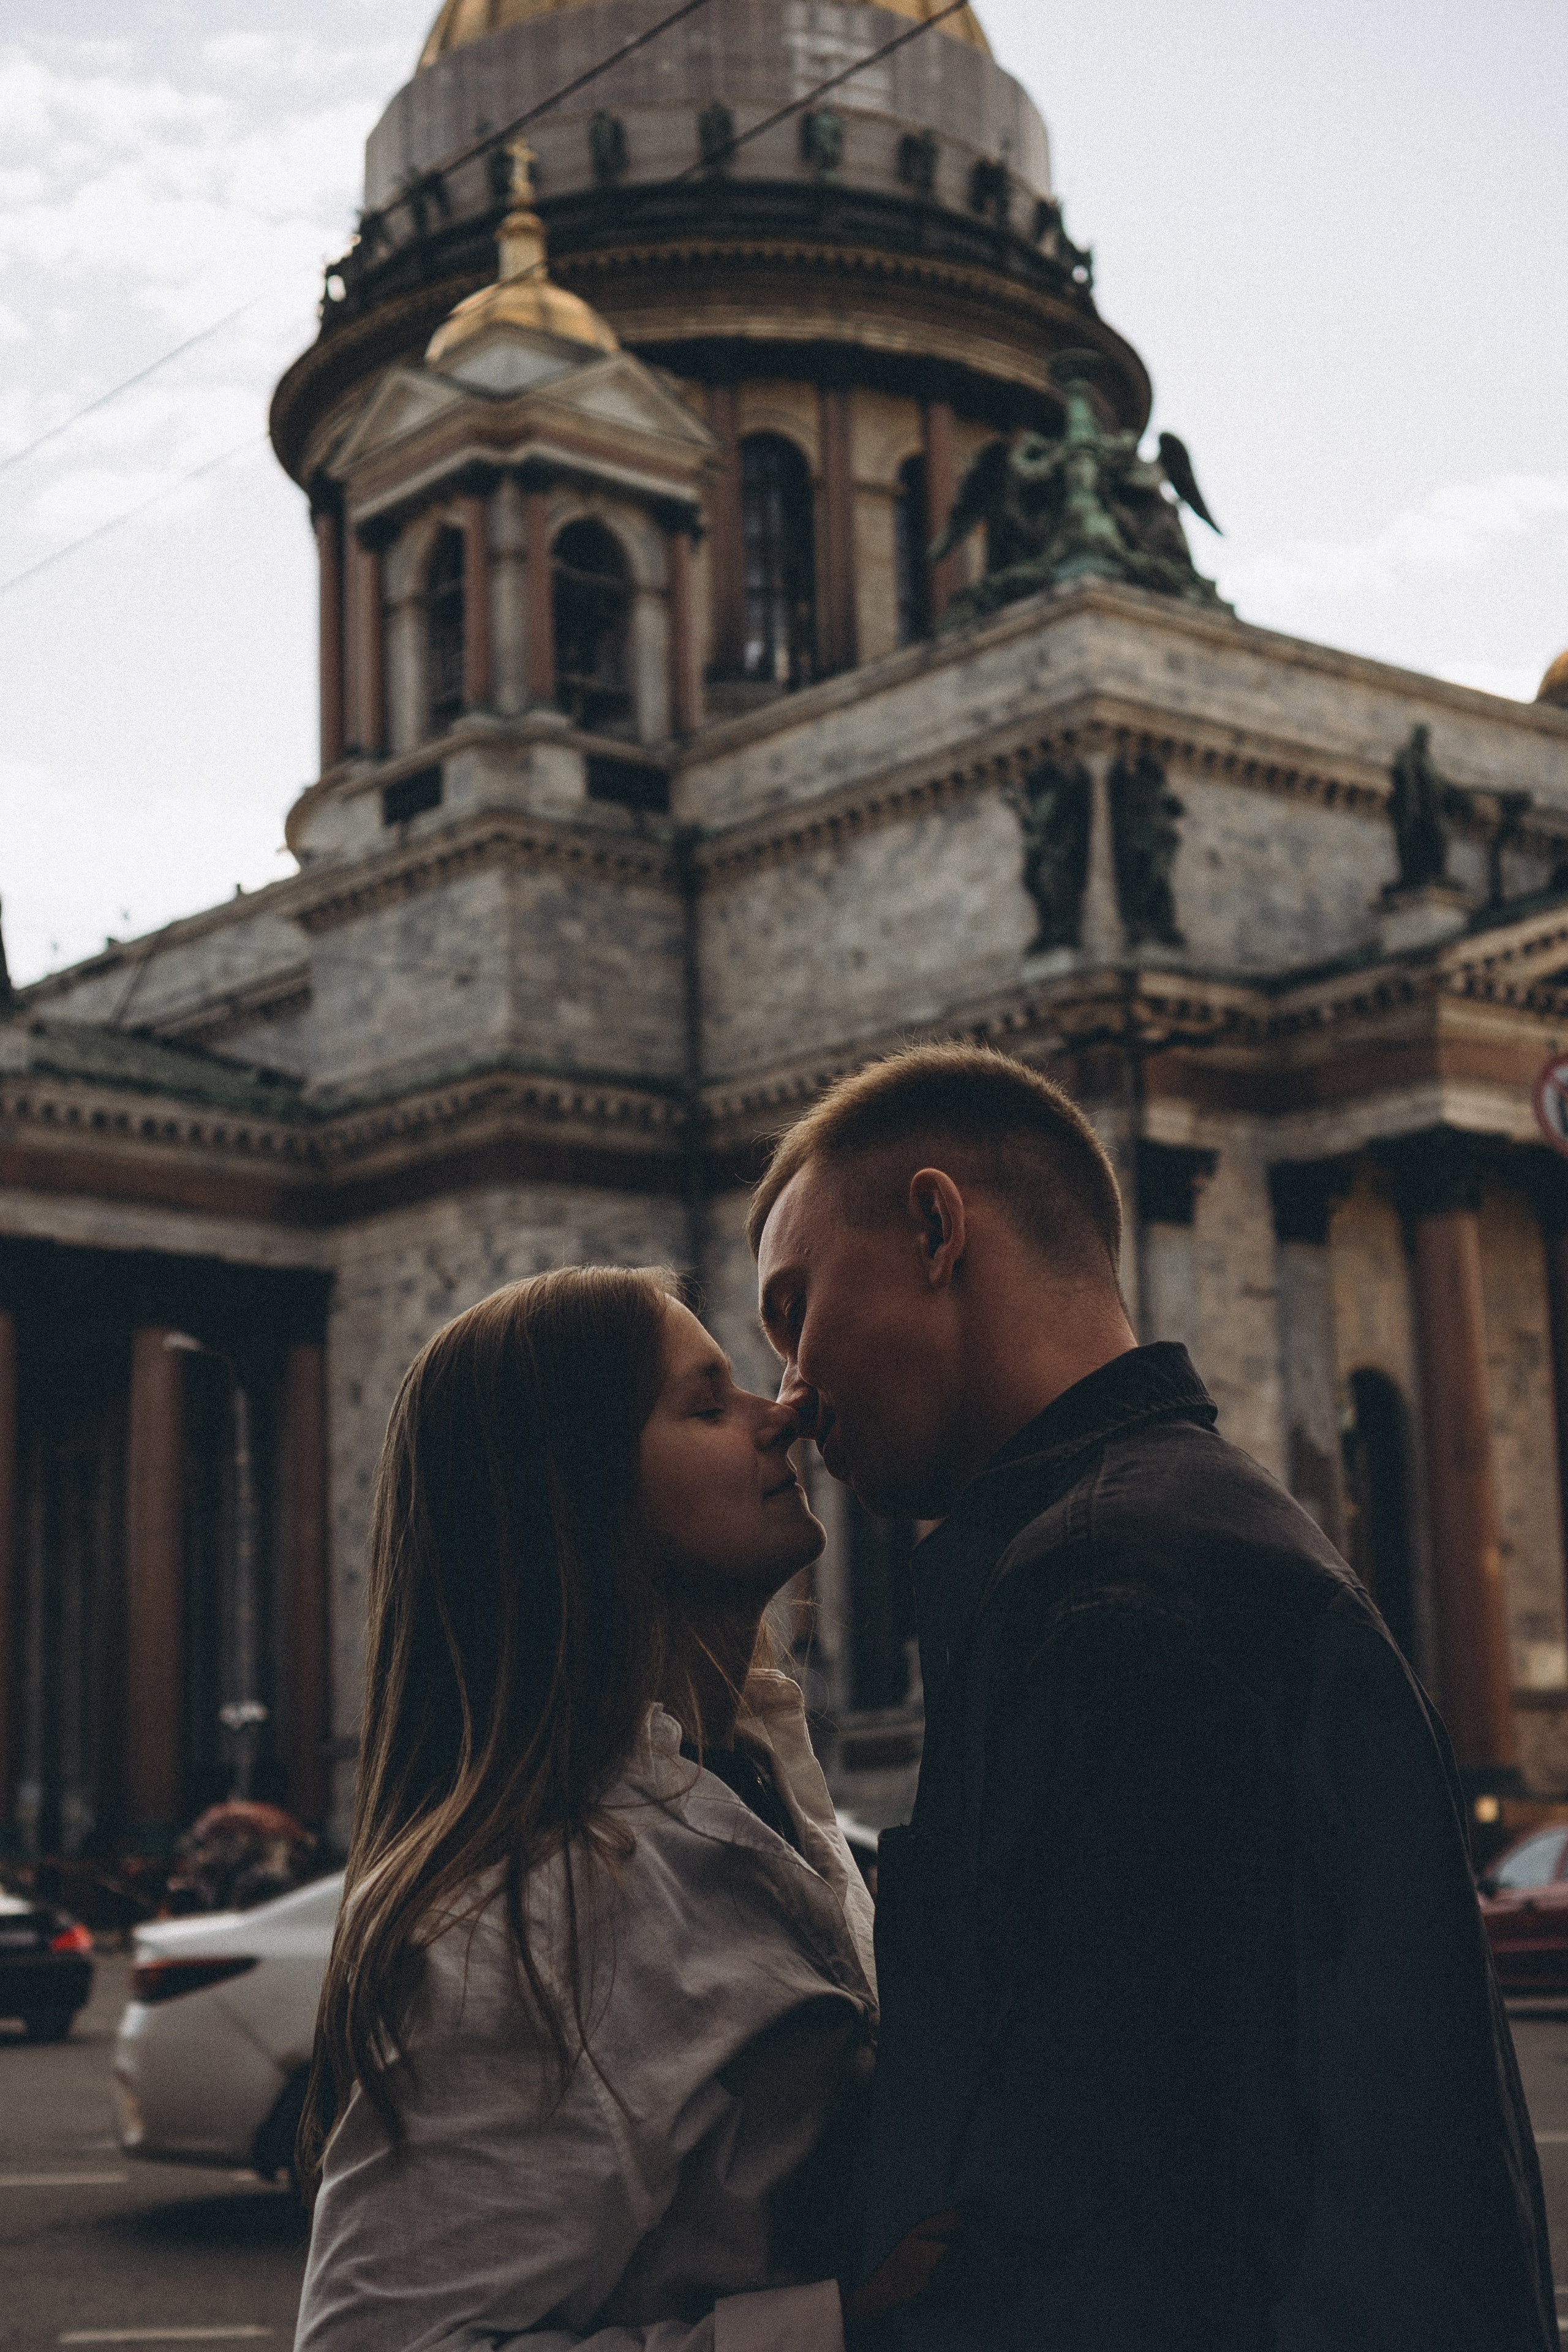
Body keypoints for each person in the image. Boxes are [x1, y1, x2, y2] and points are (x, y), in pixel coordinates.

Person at [750, 1043, 1558, 2351]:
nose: (786, 1387)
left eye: (792, 1309)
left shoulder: (1108, 1600)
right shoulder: (1167, 1542)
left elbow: (1110, 2227)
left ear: (934, 1226)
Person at [295, 1267, 876, 2352]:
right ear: (575, 1497)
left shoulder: (751, 1768)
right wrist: (833, 2330)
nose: (782, 1412)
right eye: (707, 1405)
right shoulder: (519, 1928)